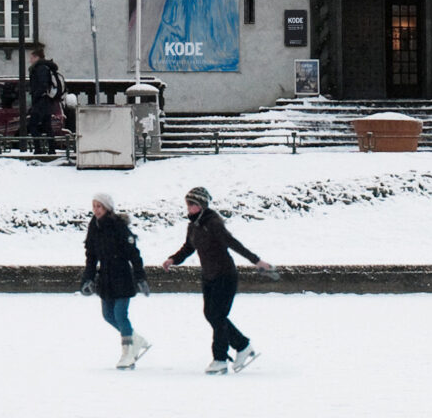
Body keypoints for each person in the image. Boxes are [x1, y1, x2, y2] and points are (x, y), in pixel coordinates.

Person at [163, 184, 268, 373]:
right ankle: (242, 345)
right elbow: (188, 247)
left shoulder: (213, 223)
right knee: (211, 314)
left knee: (218, 316)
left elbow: (233, 243)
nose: (190, 208)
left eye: (193, 204)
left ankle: (220, 359)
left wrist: (256, 260)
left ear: (202, 205)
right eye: (188, 204)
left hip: (225, 275)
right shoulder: (193, 225)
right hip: (209, 276)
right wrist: (173, 259)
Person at [80, 192, 150, 369]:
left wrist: (140, 277)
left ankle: (128, 353)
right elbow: (91, 256)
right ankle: (135, 339)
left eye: (99, 206)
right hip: (105, 277)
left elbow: (134, 254)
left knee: (120, 314)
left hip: (122, 276)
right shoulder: (94, 226)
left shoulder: (118, 226)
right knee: (108, 315)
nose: (96, 210)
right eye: (94, 206)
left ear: (107, 208)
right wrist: (87, 279)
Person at [25, 44, 64, 149]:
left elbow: (43, 85)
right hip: (46, 101)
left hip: (41, 102)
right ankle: (51, 149)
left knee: (32, 125)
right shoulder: (45, 67)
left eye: (31, 58)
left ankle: (38, 149)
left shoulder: (40, 68)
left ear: (37, 57)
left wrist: (36, 96)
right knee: (47, 126)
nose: (30, 60)